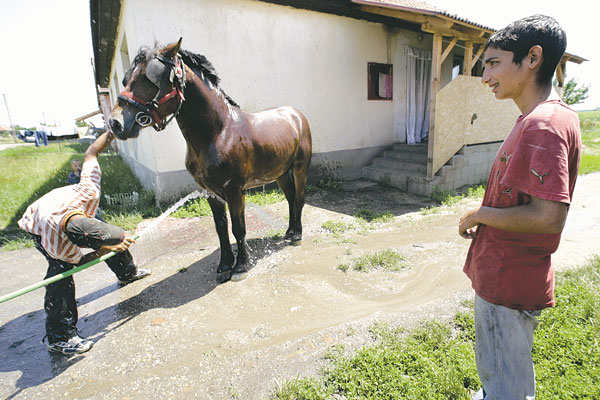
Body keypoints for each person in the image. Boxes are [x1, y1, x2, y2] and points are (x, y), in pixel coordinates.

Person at [458, 15, 581, 400]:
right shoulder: (544, 117)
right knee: (503, 376)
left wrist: (480, 214)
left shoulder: (542, 124)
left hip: (506, 279)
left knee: (506, 389)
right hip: (512, 274)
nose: (485, 76)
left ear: (532, 58)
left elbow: (548, 217)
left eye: (494, 63)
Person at [18, 131, 151, 355]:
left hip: (70, 209)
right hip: (39, 222)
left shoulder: (88, 191)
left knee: (113, 237)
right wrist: (101, 251)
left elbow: (91, 152)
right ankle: (59, 337)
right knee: (61, 274)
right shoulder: (55, 238)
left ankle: (127, 272)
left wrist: (111, 133)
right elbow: (78, 261)